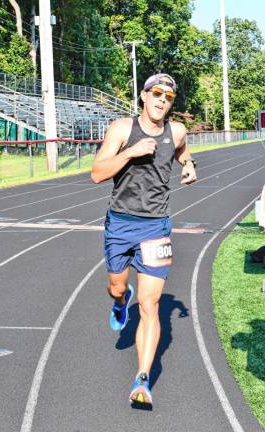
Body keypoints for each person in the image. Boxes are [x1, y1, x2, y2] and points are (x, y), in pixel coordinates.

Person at [91, 73, 197, 408]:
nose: (161, 100)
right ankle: (121, 302)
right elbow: (97, 173)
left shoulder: (176, 130)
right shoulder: (122, 129)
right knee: (117, 287)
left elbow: (182, 149)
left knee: (150, 306)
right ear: (143, 95)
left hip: (157, 228)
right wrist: (131, 152)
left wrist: (189, 164)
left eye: (168, 96)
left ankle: (142, 379)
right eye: (156, 93)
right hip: (120, 224)